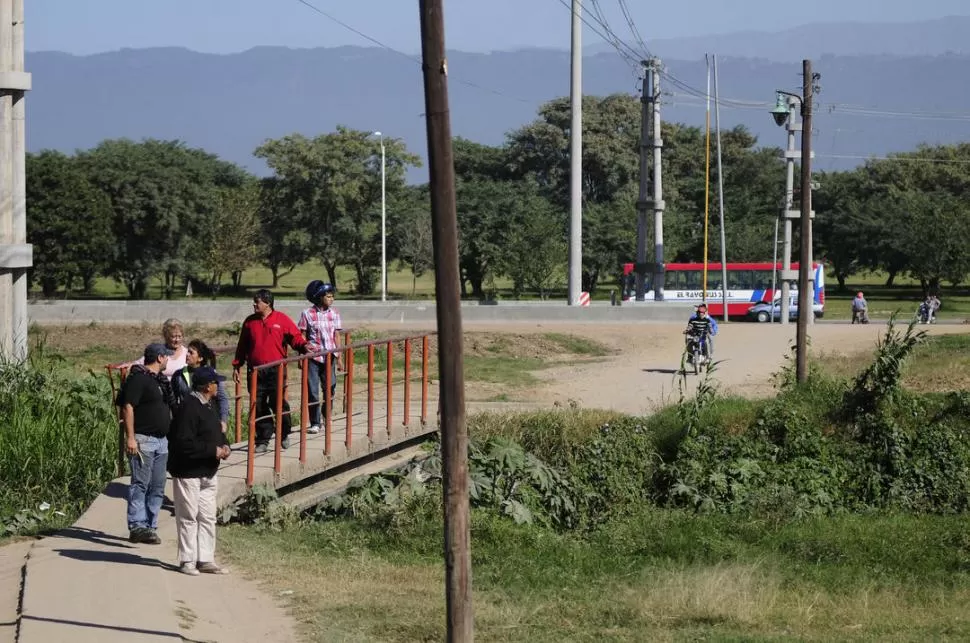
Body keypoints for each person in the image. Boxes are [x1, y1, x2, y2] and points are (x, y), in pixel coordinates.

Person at [167, 366, 232, 576]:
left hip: (208, 471)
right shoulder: (188, 407)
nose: (218, 386)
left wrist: (225, 445)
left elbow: (215, 431)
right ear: (206, 386)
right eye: (215, 382)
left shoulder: (209, 405)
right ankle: (187, 560)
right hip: (189, 472)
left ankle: (205, 559)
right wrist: (213, 450)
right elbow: (183, 443)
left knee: (208, 517)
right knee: (188, 517)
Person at [232, 289, 308, 453]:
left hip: (276, 370)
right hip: (255, 371)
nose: (254, 304)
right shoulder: (250, 322)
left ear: (267, 303)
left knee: (278, 402)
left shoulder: (281, 319)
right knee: (258, 405)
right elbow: (242, 346)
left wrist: (303, 346)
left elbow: (295, 337)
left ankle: (284, 433)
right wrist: (237, 365)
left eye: (257, 302)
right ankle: (263, 439)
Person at [117, 343, 173, 544]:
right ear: (159, 357)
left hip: (162, 442)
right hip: (144, 440)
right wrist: (131, 437)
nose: (168, 360)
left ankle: (150, 526)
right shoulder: (139, 378)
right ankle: (137, 525)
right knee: (140, 483)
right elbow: (127, 407)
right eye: (166, 356)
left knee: (157, 485)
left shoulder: (159, 380)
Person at [298, 280, 343, 434]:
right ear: (319, 297)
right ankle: (315, 422)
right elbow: (302, 335)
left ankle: (326, 415)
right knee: (312, 390)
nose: (331, 299)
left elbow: (336, 336)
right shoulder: (307, 314)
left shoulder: (334, 313)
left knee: (330, 387)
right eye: (328, 296)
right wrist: (301, 355)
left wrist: (339, 357)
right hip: (313, 357)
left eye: (332, 296)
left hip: (330, 356)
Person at [171, 339, 230, 433]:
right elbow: (173, 400)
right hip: (187, 422)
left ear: (200, 358)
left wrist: (223, 420)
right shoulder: (178, 375)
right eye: (187, 352)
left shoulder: (211, 375)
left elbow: (222, 398)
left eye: (191, 353)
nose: (187, 354)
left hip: (207, 421)